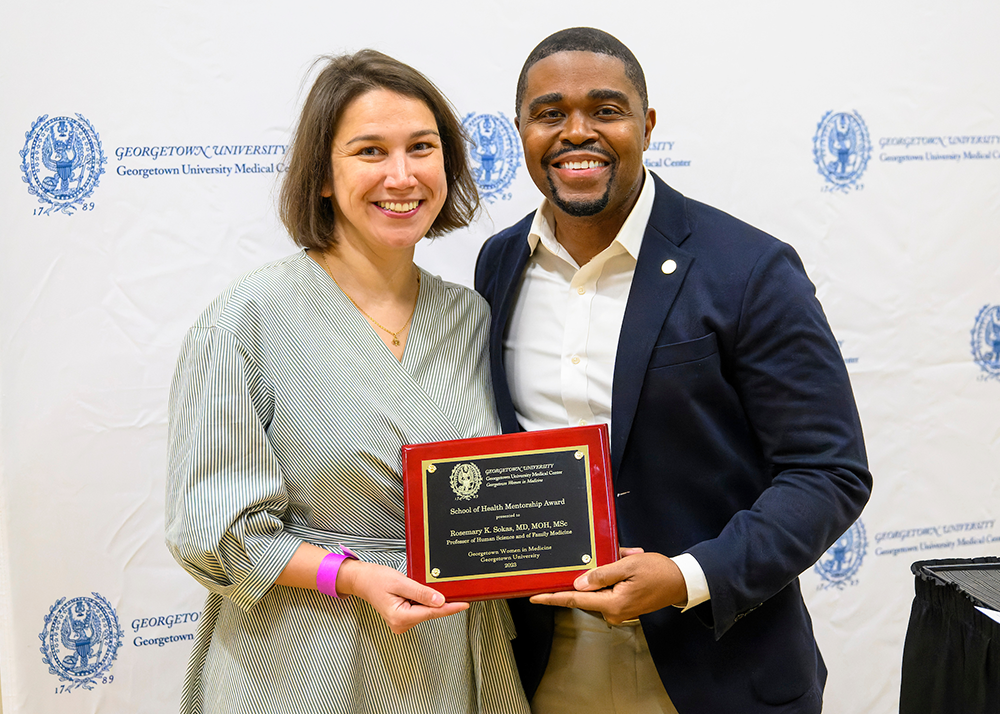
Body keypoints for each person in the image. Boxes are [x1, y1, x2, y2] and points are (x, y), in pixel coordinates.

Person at [475, 28, 872, 714]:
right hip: (542, 665)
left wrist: (687, 576)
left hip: (715, 666)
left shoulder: (748, 269)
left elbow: (828, 472)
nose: (577, 132)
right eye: (549, 113)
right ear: (520, 131)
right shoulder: (499, 263)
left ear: (647, 125)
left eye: (605, 110)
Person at [166, 50, 529, 714]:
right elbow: (213, 530)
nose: (402, 175)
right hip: (301, 658)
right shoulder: (247, 320)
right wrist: (355, 577)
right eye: (369, 151)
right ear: (324, 177)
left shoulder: (471, 318)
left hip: (445, 650)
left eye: (422, 148)